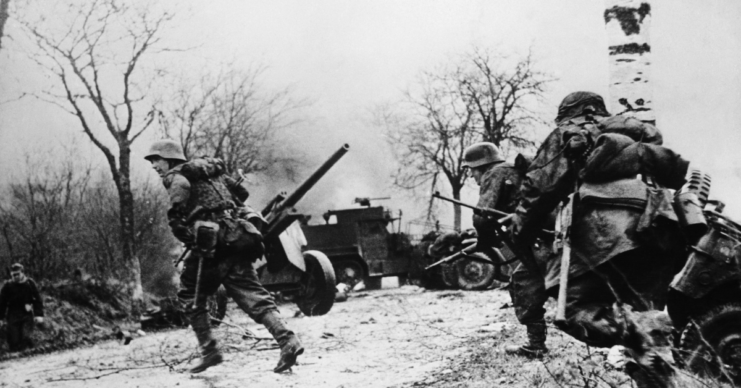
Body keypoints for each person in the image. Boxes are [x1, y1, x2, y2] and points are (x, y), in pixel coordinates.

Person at [511, 91, 689, 385]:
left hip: (608, 231)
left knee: (572, 311)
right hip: (661, 226)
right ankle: (660, 369)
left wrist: (520, 230)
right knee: (641, 313)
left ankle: (656, 326)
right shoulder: (634, 132)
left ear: (571, 113)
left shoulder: (572, 131)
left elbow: (539, 187)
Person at [145, 139, 303, 374]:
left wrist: (189, 235)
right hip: (238, 239)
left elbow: (176, 216)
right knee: (255, 297)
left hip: (212, 247)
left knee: (190, 296)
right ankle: (288, 341)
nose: (154, 166)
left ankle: (210, 351)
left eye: (156, 160)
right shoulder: (209, 171)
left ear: (169, 159)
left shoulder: (177, 177)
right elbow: (242, 192)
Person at [462, 143, 552, 358]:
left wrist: (484, 241)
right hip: (547, 235)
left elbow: (481, 216)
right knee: (523, 279)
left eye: (472, 171)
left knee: (523, 282)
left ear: (480, 166)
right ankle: (536, 344)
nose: (473, 177)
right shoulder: (515, 171)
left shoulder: (494, 173)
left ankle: (537, 345)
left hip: (541, 241)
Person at [0, 263, 44, 352]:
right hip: (13, 314)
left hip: (26, 313)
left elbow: (37, 299)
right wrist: (0, 318)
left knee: (26, 336)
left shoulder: (30, 283)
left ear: (22, 273)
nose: (15, 277)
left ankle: (28, 355)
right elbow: (2, 302)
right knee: (14, 340)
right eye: (13, 275)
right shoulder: (7, 286)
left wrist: (38, 314)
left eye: (17, 274)